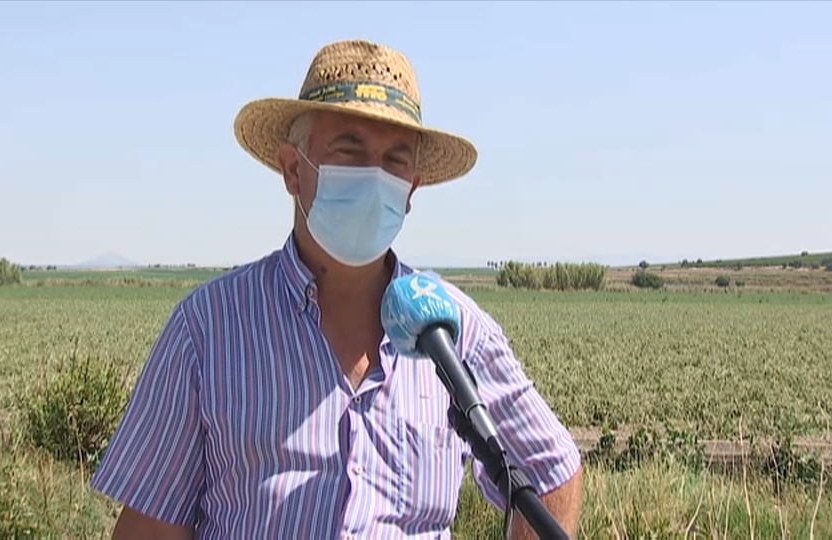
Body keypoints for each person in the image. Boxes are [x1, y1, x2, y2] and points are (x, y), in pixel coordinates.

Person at [91, 39, 584, 540]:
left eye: (394, 160)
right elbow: (149, 529)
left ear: (412, 190)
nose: (374, 177)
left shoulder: (454, 328)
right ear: (292, 170)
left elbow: (551, 472)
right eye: (349, 151)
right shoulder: (208, 328)